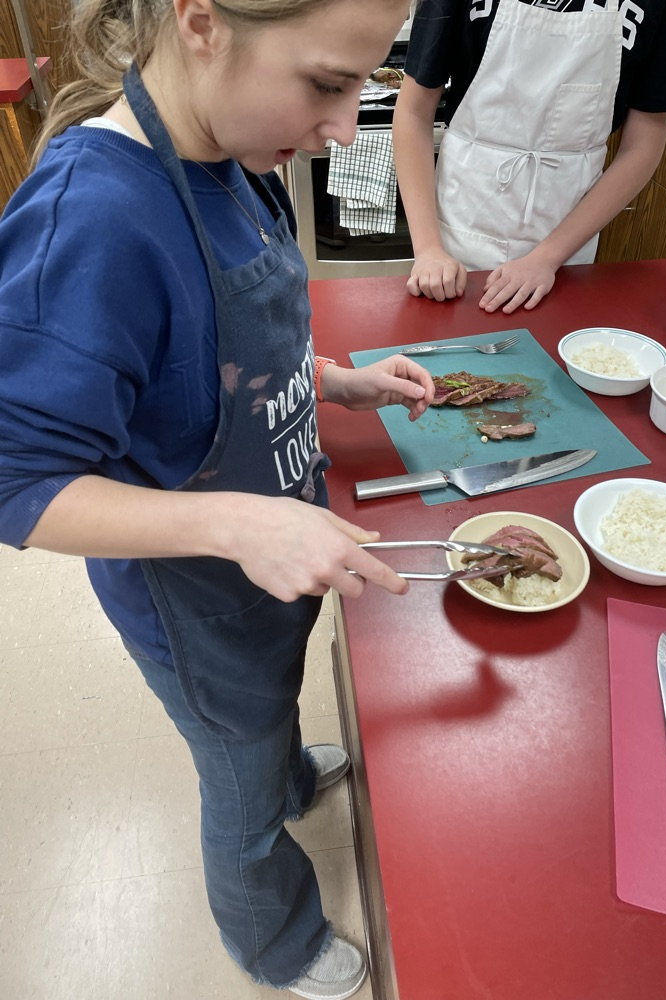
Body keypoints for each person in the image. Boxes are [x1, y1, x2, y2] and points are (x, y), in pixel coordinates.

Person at [0, 0, 434, 997]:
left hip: (266, 571)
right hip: (194, 609)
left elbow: (216, 358)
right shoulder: (94, 220)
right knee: (238, 780)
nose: (343, 129)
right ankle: (271, 938)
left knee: (270, 704)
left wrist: (333, 381)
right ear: (201, 23)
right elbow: (16, 479)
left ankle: (287, 770)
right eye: (326, 84)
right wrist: (235, 522)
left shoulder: (233, 154)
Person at [392, 0, 666, 313]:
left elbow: (642, 146)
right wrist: (429, 249)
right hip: (460, 226)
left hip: (567, 242)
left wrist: (547, 259)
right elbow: (413, 112)